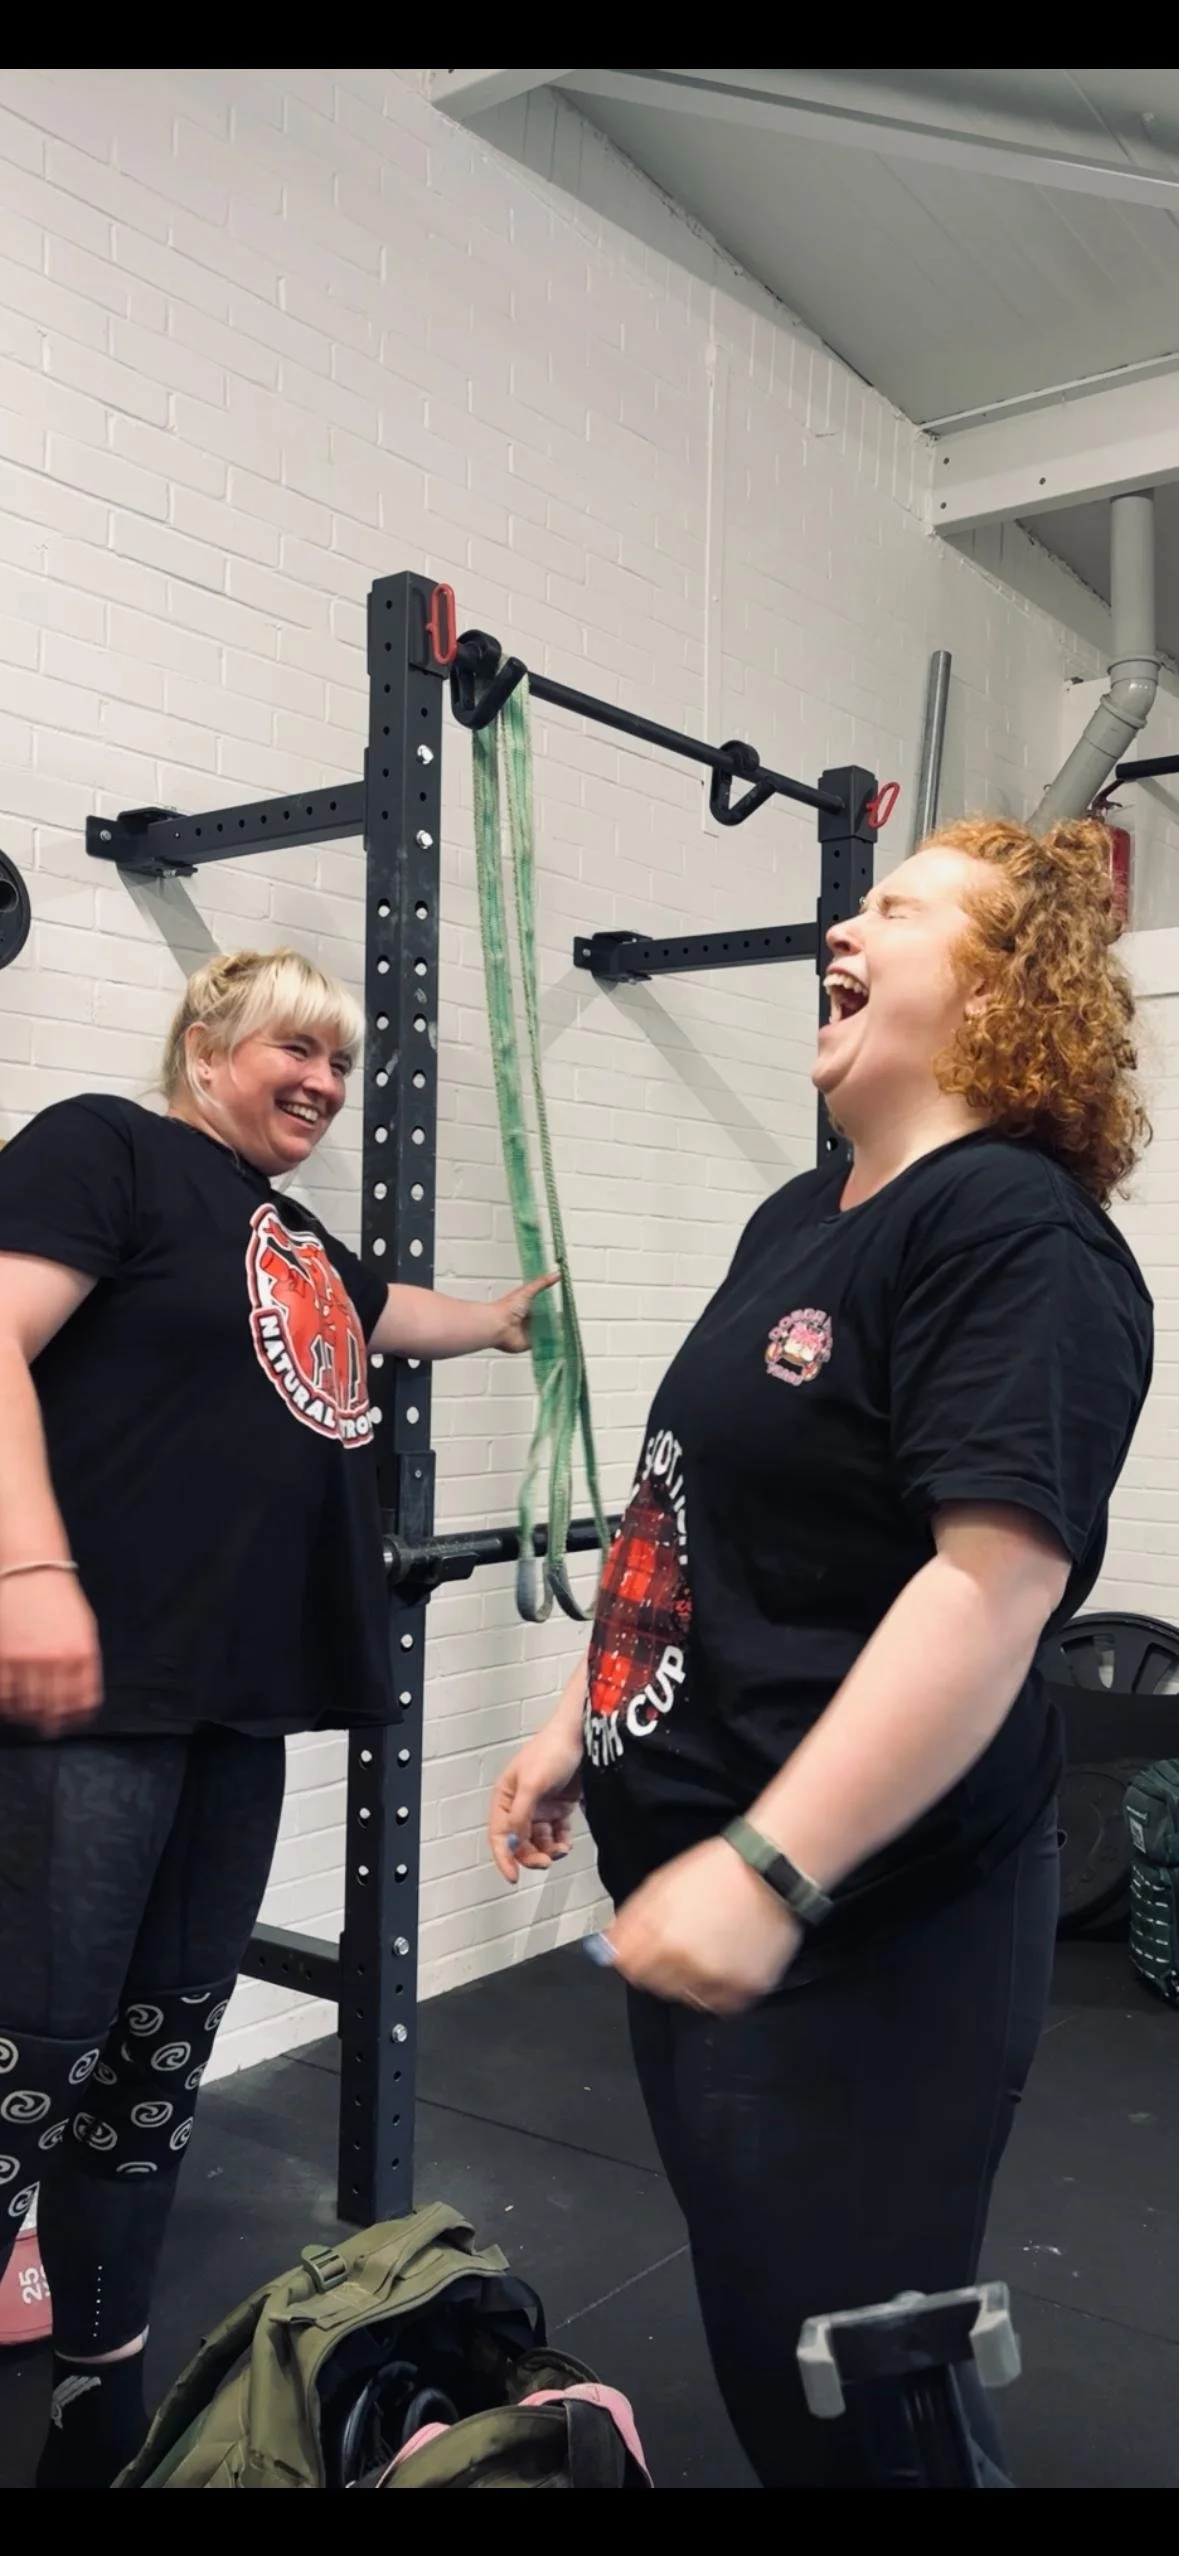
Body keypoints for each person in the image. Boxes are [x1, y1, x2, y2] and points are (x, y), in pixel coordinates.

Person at [488, 816, 1154, 2490]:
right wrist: (586, 1722)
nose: (844, 925)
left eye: (897, 907)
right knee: (763, 2338)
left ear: (1005, 993)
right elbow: (697, 1513)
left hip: (870, 1927)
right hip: (716, 1881)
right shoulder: (807, 1207)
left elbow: (987, 1594)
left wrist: (769, 1868)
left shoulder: (1014, 1233)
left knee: (856, 2383)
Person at [0, 946, 552, 2492]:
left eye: (339, 1065)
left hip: (233, 1704)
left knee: (158, 2052)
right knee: (27, 2055)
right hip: (93, 1682)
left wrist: (500, 1326)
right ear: (207, 1041)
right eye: (292, 1050)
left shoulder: (294, 1233)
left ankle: (91, 2392)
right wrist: (27, 1564)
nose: (319, 1083)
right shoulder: (105, 1150)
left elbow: (386, 1315)